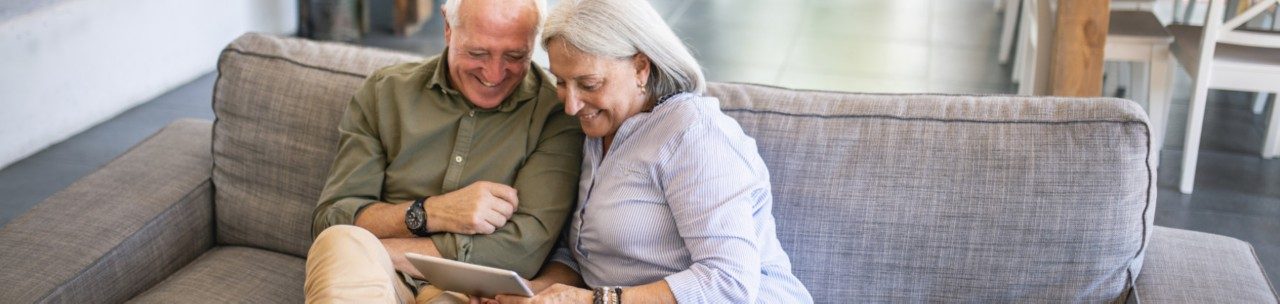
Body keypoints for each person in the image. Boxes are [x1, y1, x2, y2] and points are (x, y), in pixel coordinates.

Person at [495, 0, 813, 303]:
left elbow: (728, 281)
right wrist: (535, 292)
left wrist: (596, 300)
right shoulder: (596, 134)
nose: (571, 105)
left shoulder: (692, 133)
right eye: (561, 82)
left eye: (589, 84)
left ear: (640, 68)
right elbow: (585, 257)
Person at [304, 0, 583, 302]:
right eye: (478, 53)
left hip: (469, 293)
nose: (494, 73)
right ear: (448, 28)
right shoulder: (385, 92)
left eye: (515, 56)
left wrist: (376, 248)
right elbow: (333, 219)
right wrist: (430, 213)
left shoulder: (556, 112)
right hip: (373, 275)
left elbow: (522, 251)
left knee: (350, 244)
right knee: (341, 242)